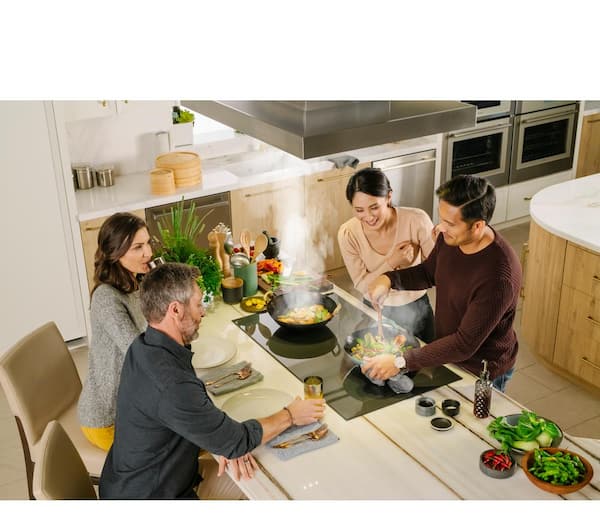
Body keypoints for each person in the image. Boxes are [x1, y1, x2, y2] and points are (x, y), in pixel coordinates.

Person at [99, 262, 325, 500]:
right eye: (198, 304)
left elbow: (192, 415)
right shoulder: (172, 384)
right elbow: (238, 440)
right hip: (153, 496)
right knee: (267, 495)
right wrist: (290, 415)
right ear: (175, 310)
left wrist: (220, 439)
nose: (203, 312)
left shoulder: (144, 346)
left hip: (133, 480)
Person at [363, 174, 522, 392]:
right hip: (451, 356)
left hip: (482, 370)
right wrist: (388, 279)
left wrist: (400, 361)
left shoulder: (499, 277)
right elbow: (429, 273)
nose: (440, 228)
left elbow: (464, 344)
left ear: (477, 226)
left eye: (450, 223)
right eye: (441, 219)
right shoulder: (451, 238)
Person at [78, 212, 152, 451]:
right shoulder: (106, 298)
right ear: (115, 253)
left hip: (134, 405)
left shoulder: (134, 283)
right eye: (138, 247)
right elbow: (139, 353)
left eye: (148, 243)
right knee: (181, 446)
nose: (148, 253)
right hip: (109, 419)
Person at [337, 167, 436, 342]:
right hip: (375, 310)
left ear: (389, 197)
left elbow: (437, 270)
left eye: (374, 207)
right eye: (359, 210)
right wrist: (392, 262)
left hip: (417, 307)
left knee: (428, 358)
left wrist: (424, 259)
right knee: (376, 355)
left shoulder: (417, 220)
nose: (368, 217)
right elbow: (362, 285)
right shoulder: (348, 233)